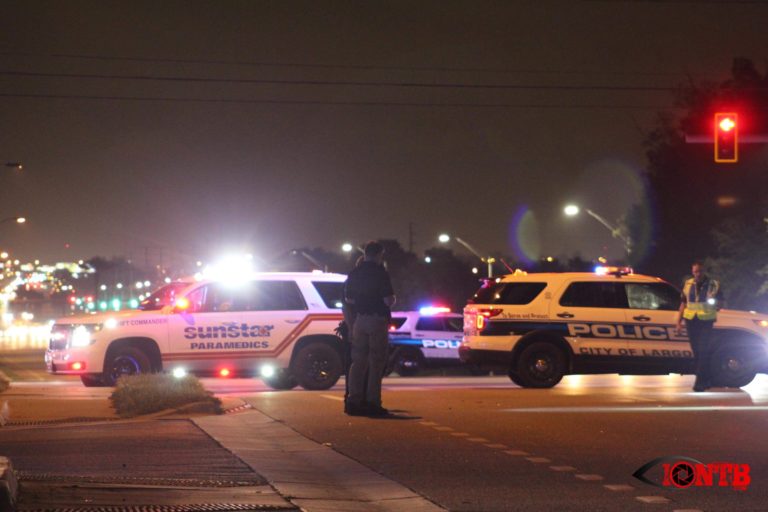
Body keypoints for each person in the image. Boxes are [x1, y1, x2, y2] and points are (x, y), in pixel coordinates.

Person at [344, 241, 396, 416]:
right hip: (377, 319)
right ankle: (373, 402)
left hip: (359, 320)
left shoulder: (355, 273)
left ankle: (353, 400)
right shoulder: (380, 273)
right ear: (379, 254)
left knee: (358, 361)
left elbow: (349, 299)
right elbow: (388, 300)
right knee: (376, 362)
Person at [675, 261, 721, 392]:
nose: (698, 274)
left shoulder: (713, 284)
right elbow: (683, 304)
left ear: (704, 271)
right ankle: (706, 379)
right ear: (692, 271)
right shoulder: (688, 284)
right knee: (697, 352)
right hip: (691, 321)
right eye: (695, 271)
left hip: (706, 321)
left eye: (700, 271)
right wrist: (678, 322)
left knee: (703, 350)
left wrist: (717, 304)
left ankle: (699, 383)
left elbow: (721, 301)